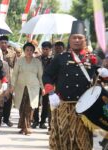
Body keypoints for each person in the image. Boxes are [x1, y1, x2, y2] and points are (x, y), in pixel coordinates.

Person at [42, 20, 104, 150]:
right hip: (63, 106)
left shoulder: (92, 59)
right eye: (74, 38)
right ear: (69, 40)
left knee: (83, 142)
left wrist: (104, 73)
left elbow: (102, 78)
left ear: (85, 40)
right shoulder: (60, 58)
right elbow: (47, 75)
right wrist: (51, 92)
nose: (77, 40)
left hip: (85, 110)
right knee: (62, 140)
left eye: (79, 38)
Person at [11, 42, 44, 134]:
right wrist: (12, 86)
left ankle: (27, 126)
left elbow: (40, 76)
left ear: (33, 51)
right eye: (27, 50)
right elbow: (14, 75)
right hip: (20, 86)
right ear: (24, 51)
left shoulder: (37, 62)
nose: (29, 52)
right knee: (22, 106)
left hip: (33, 87)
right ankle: (22, 126)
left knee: (30, 107)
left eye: (31, 50)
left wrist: (43, 87)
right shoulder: (19, 61)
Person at [32, 41, 53, 129]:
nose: (45, 51)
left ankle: (43, 121)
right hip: (37, 83)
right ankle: (35, 120)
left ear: (50, 50)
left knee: (46, 103)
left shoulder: (53, 60)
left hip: (48, 83)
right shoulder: (36, 59)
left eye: (47, 49)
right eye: (43, 49)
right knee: (35, 102)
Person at [0, 35, 17, 127]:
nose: (3, 44)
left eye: (5, 42)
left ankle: (6, 118)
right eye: (2, 42)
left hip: (9, 78)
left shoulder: (12, 53)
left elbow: (15, 66)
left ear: (8, 43)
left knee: (8, 100)